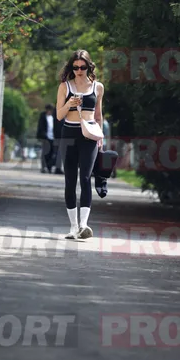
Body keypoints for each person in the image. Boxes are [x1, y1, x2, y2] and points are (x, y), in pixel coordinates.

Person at [56, 49, 104, 240]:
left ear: (88, 67)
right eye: (75, 67)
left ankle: (84, 225)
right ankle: (73, 227)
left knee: (85, 178)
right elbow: (59, 115)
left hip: (89, 135)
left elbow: (98, 115)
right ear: (71, 68)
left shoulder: (98, 87)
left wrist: (101, 137)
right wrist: (69, 104)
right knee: (70, 180)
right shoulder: (65, 86)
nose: (79, 71)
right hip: (69, 133)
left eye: (82, 67)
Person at [36, 103, 55, 173]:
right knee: (45, 153)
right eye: (49, 110)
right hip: (45, 137)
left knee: (51, 153)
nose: (50, 111)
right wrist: (43, 135)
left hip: (53, 137)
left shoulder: (54, 116)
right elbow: (40, 127)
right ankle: (43, 167)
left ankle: (49, 167)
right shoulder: (43, 116)